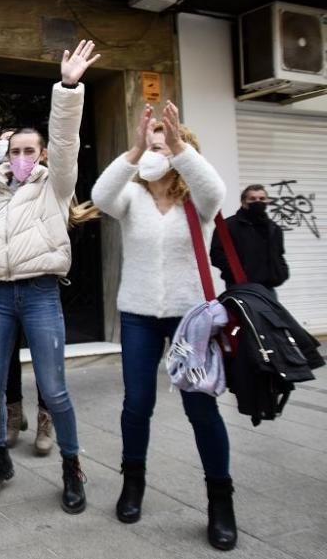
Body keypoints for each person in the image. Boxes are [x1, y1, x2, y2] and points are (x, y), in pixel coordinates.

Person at [92, 102, 236, 550]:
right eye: (153, 145)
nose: (157, 152)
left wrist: (179, 148)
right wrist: (134, 151)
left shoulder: (198, 199)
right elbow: (99, 196)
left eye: (163, 147)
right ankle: (132, 482)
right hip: (137, 315)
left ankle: (220, 500)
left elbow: (217, 189)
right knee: (137, 404)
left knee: (200, 408)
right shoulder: (131, 197)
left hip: (188, 318)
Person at [0, 40, 100, 514]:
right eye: (16, 150)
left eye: (31, 150)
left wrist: (68, 87)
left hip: (42, 294)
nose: (23, 157)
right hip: (0, 298)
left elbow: (66, 141)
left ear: (41, 155)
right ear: (7, 154)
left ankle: (71, 465)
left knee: (55, 387)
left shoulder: (55, 186)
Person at [0, 129, 54, 456]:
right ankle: (14, 414)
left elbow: (64, 217)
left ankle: (46, 420)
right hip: (2, 284)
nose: (15, 154)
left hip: (38, 280)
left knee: (46, 357)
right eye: (8, 146)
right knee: (6, 358)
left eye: (22, 147)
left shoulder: (47, 181)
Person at [210, 184, 289, 294]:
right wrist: (236, 274)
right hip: (240, 287)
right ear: (243, 202)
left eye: (261, 199)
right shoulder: (227, 226)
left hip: (268, 288)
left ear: (267, 201)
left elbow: (279, 254)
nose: (258, 202)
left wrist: (281, 273)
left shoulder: (274, 228)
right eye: (252, 199)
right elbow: (216, 255)